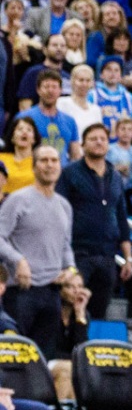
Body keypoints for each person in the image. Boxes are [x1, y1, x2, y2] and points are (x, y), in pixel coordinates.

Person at [0, 146, 74, 356]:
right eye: (43, 160)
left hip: (52, 293)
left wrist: (71, 268)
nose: (49, 165)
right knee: (15, 357)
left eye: (54, 160)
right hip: (22, 291)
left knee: (43, 361)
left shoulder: (64, 206)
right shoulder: (18, 200)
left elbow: (65, 245)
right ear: (33, 167)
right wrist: (18, 260)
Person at [57, 123, 132, 319]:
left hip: (107, 255)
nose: (99, 142)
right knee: (71, 307)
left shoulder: (115, 176)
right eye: (93, 139)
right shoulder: (69, 173)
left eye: (103, 139)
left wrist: (128, 258)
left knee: (100, 312)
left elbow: (122, 217)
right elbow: (59, 214)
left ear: (109, 144)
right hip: (78, 254)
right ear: (82, 145)